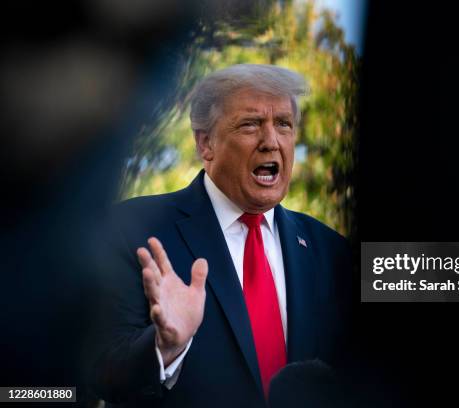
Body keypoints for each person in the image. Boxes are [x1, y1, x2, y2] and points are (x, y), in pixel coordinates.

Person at [90, 64, 352, 408]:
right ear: (206, 143)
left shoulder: (331, 251)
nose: (271, 142)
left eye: (283, 124)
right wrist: (165, 347)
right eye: (250, 124)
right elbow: (99, 373)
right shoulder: (132, 229)